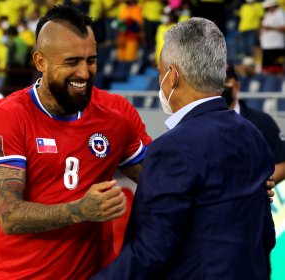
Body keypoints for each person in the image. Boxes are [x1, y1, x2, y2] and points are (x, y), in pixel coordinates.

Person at [0, 5, 148, 279]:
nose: (84, 73)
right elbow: (9, 215)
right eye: (72, 62)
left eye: (91, 60)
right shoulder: (9, 115)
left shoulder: (115, 115)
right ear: (41, 62)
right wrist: (78, 210)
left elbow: (158, 177)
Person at [94, 17, 276, 279]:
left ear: (173, 75)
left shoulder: (172, 148)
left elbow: (151, 252)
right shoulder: (254, 135)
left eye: (159, 73)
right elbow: (265, 236)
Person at [223, 65, 285, 184]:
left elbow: (282, 162)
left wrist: (259, 187)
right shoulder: (200, 122)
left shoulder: (262, 121)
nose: (222, 88)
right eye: (217, 83)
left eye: (226, 81)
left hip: (253, 199)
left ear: (237, 85)